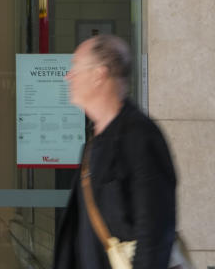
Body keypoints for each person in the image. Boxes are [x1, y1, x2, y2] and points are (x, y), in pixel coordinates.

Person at [53, 35, 177, 269]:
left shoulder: (140, 137)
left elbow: (154, 232)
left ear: (99, 74)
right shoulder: (95, 141)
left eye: (75, 68)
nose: (68, 76)